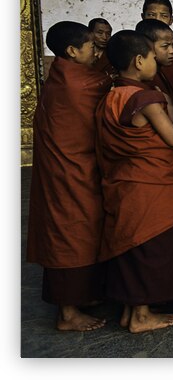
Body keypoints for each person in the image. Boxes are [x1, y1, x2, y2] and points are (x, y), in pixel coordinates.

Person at [95, 30, 173, 333]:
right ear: (138, 61)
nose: (155, 63)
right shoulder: (145, 98)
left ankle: (128, 311)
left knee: (129, 246)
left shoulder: (110, 96)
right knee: (147, 246)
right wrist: (169, 103)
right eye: (151, 58)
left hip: (124, 182)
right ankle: (141, 316)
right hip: (151, 186)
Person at [26, 21, 112, 331]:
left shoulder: (64, 75)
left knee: (83, 230)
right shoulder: (76, 83)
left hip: (69, 168)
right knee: (70, 234)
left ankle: (81, 295)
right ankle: (67, 314)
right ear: (72, 51)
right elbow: (103, 91)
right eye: (90, 46)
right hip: (70, 171)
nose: (95, 50)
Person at [135, 19, 173, 103]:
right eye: (165, 46)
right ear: (147, 46)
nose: (172, 51)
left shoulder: (159, 71)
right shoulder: (146, 77)